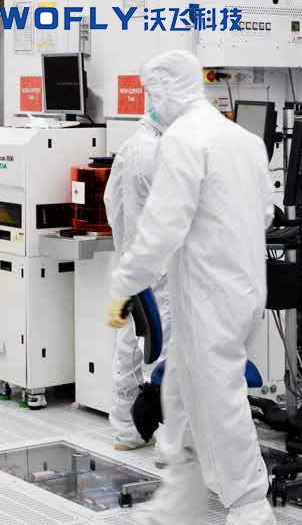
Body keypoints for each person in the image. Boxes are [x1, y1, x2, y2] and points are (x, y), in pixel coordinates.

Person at [106, 50, 276, 525]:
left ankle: (251, 507)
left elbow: (162, 227)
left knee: (219, 400)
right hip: (242, 285)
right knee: (183, 393)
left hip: (208, 292)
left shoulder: (183, 139)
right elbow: (265, 213)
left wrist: (125, 282)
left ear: (164, 91)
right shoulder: (242, 139)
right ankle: (181, 497)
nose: (149, 103)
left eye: (150, 93)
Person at [103, 114, 173, 453]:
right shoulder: (157, 152)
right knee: (168, 350)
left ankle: (127, 431)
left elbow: (111, 203)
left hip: (135, 262)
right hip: (162, 267)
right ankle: (172, 444)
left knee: (131, 344)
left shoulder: (131, 146)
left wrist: (125, 247)